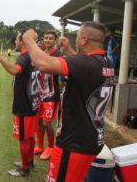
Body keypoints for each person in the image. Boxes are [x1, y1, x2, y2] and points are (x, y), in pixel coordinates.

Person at [22, 21, 115, 182]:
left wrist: (28, 39)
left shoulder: (86, 64)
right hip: (92, 138)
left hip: (74, 143)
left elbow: (43, 64)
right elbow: (81, 65)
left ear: (84, 40)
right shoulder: (104, 62)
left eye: (78, 37)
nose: (76, 40)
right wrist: (69, 50)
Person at [0, 28, 38, 177]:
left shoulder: (24, 57)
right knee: (29, 136)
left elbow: (14, 70)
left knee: (24, 137)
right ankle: (29, 162)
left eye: (17, 39)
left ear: (23, 41)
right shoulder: (33, 56)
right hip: (33, 102)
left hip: (24, 103)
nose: (15, 42)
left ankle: (24, 168)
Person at [33, 30, 62, 161]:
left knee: (46, 123)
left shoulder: (58, 54)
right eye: (46, 38)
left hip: (51, 95)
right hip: (40, 94)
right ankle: (40, 146)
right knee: (38, 122)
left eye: (50, 38)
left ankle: (50, 147)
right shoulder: (42, 54)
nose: (48, 40)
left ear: (55, 40)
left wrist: (59, 90)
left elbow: (62, 75)